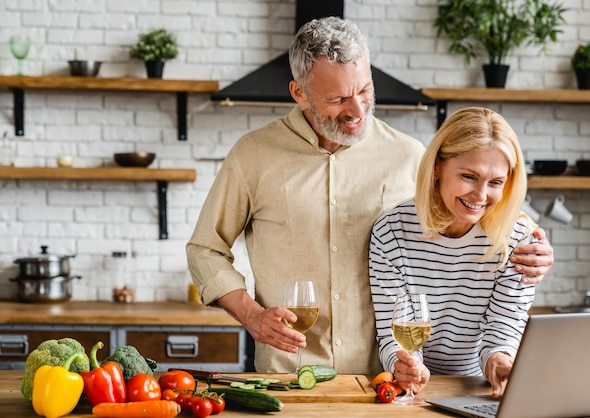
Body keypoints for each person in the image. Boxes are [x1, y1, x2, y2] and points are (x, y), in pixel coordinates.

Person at [186, 17, 553, 375]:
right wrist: (251, 315)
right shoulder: (253, 155)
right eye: (339, 98)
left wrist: (535, 246)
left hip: (384, 379)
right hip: (289, 375)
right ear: (300, 93)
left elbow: (477, 207)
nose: (358, 110)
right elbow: (205, 249)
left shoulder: (408, 156)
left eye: (364, 90)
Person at [369, 107, 537, 399]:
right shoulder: (392, 231)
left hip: (480, 390)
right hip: (410, 392)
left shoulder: (519, 239)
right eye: (469, 176)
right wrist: (407, 365)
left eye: (495, 182)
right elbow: (392, 332)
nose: (481, 196)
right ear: (437, 167)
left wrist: (500, 361)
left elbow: (504, 328)